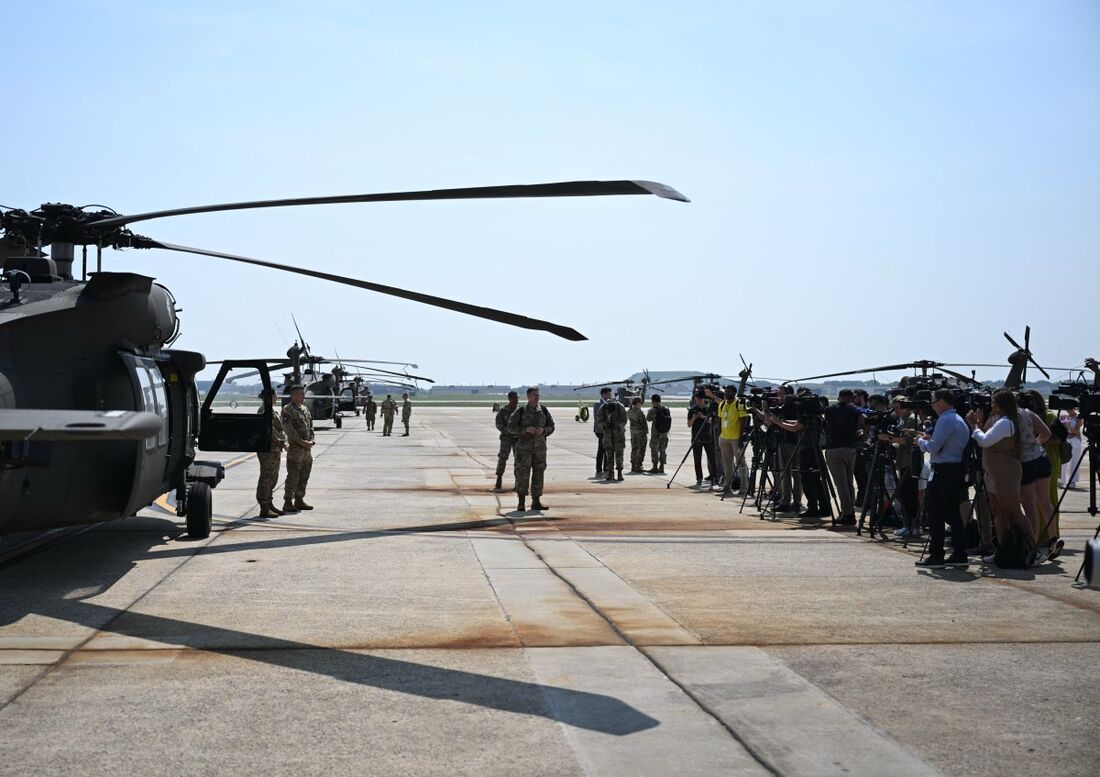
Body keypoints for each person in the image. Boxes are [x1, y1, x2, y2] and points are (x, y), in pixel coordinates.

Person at [967, 390, 1029, 565]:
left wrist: (974, 426)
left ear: (1001, 405)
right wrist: (979, 424)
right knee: (998, 512)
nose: (991, 405)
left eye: (993, 402)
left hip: (1005, 473)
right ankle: (1003, 550)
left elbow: (984, 441)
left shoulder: (1005, 422)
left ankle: (1032, 548)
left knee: (1014, 512)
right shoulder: (999, 421)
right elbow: (988, 437)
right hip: (994, 472)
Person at [914, 389, 971, 568]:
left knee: (935, 513)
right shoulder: (958, 419)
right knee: (952, 513)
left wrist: (921, 442)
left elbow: (933, 448)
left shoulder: (945, 419)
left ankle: (936, 555)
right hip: (955, 470)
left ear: (941, 402)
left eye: (933, 402)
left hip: (944, 471)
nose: (932, 406)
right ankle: (960, 553)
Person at [1017, 400, 1055, 562]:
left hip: (1026, 462)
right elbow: (1046, 433)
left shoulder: (1004, 418)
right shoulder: (1028, 413)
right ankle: (1053, 539)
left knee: (1030, 507)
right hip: (1041, 457)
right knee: (1045, 502)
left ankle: (1033, 547)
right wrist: (1035, 443)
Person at [508, 387, 555, 512]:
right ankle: (521, 502)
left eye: (538, 395)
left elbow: (551, 426)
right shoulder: (521, 411)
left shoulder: (543, 410)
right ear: (528, 397)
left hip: (540, 450)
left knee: (539, 474)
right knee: (522, 475)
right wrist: (525, 430)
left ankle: (536, 501)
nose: (537, 397)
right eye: (534, 395)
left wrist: (544, 431)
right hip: (523, 450)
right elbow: (511, 428)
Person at [824, 389, 864, 525]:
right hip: (850, 448)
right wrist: (862, 437)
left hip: (834, 448)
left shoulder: (829, 410)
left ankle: (847, 513)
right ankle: (849, 509)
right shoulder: (855, 410)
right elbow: (864, 420)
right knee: (848, 482)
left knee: (841, 484)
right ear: (851, 398)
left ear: (839, 397)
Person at [281, 384, 315, 514]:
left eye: (303, 393)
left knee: (304, 475)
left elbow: (310, 427)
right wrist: (301, 442)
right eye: (300, 394)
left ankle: (299, 499)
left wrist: (312, 440)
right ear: (293, 395)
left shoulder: (305, 409)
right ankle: (288, 501)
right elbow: (288, 429)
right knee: (293, 476)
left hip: (307, 450)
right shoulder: (287, 410)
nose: (303, 396)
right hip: (295, 450)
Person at [709, 385, 749, 496]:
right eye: (725, 392)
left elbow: (743, 420)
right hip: (724, 438)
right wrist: (720, 435)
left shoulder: (739, 404)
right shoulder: (722, 404)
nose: (726, 394)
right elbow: (720, 420)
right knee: (727, 463)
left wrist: (741, 437)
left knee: (741, 462)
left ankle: (744, 488)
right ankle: (727, 487)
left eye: (729, 392)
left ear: (734, 393)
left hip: (736, 438)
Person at [256, 387, 287, 518]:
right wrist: (281, 442)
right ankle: (264, 507)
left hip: (274, 450)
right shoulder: (264, 411)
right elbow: (271, 431)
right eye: (275, 395)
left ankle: (269, 503)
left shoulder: (270, 410)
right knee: (266, 477)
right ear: (270, 397)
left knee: (273, 477)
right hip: (268, 450)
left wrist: (282, 441)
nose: (277, 397)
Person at [686, 392, 717, 488]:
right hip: (696, 437)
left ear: (703, 399)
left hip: (708, 436)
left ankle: (714, 477)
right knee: (697, 459)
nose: (698, 401)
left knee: (712, 458)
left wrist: (703, 416)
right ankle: (699, 478)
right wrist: (694, 418)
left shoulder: (708, 409)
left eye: (699, 399)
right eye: (696, 399)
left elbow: (712, 422)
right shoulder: (692, 410)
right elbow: (689, 425)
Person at [598, 393, 628, 482]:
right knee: (609, 456)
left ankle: (619, 473)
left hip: (619, 435)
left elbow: (624, 420)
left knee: (619, 455)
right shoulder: (603, 408)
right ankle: (610, 473)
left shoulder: (620, 407)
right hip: (608, 435)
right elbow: (599, 421)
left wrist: (618, 426)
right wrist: (605, 426)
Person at [494, 391, 519, 491]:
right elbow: (498, 423)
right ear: (509, 399)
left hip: (517, 439)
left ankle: (518, 481)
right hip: (506, 439)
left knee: (519, 460)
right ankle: (499, 478)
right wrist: (505, 430)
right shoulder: (503, 410)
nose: (516, 400)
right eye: (514, 398)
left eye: (517, 398)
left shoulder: (520, 410)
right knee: (502, 458)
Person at [1061, 402, 1084, 488]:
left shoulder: (1079, 417)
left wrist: (1069, 427)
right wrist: (1070, 429)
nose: (1068, 411)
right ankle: (1061, 480)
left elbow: (1077, 431)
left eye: (1070, 409)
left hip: (1075, 439)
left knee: (1075, 460)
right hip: (1066, 439)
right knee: (1063, 460)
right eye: (1067, 409)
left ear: (1073, 409)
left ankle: (1073, 481)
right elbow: (1064, 429)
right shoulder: (1064, 415)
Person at [646, 394, 671, 473]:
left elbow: (648, 419)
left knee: (654, 449)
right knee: (662, 449)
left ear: (653, 401)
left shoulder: (653, 410)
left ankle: (655, 467)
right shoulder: (666, 409)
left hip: (655, 433)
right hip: (664, 432)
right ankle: (662, 466)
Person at [627, 397, 648, 473]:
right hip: (640, 433)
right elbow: (643, 423)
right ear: (638, 403)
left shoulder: (629, 411)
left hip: (633, 433)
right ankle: (638, 465)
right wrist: (646, 430)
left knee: (634, 448)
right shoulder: (639, 412)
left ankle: (633, 465)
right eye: (640, 403)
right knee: (641, 449)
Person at [592, 388, 610, 478]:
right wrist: (604, 428)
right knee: (601, 450)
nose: (608, 396)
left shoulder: (610, 404)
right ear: (603, 394)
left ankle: (606, 469)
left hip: (608, 431)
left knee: (607, 450)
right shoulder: (597, 404)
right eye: (607, 394)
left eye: (609, 394)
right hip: (600, 431)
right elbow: (597, 419)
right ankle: (599, 470)